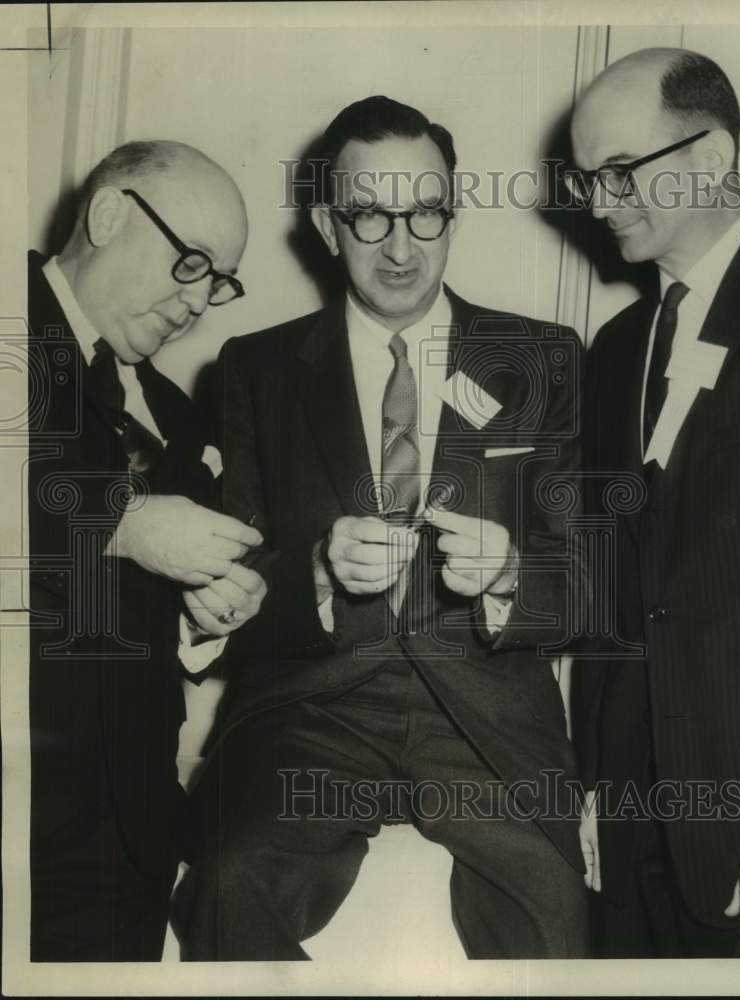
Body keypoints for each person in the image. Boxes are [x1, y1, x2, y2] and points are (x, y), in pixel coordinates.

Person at [171, 96, 590, 960]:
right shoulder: (254, 369)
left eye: (425, 212)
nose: (401, 247)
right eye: (368, 215)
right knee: (224, 891)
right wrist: (317, 573)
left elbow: (589, 578)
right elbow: (230, 592)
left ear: (452, 211)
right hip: (310, 712)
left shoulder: (544, 360)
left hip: (487, 719)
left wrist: (511, 574)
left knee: (556, 918)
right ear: (328, 224)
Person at [569, 48, 740, 957]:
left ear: (712, 156)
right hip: (630, 830)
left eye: (618, 173)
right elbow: (614, 588)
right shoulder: (612, 349)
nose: (600, 204)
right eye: (587, 180)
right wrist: (591, 786)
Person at [28, 140, 269, 961]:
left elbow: (152, 608)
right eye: (191, 263)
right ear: (108, 215)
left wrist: (204, 613)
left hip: (129, 837)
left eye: (218, 281)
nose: (199, 303)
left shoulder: (175, 410)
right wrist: (124, 522)